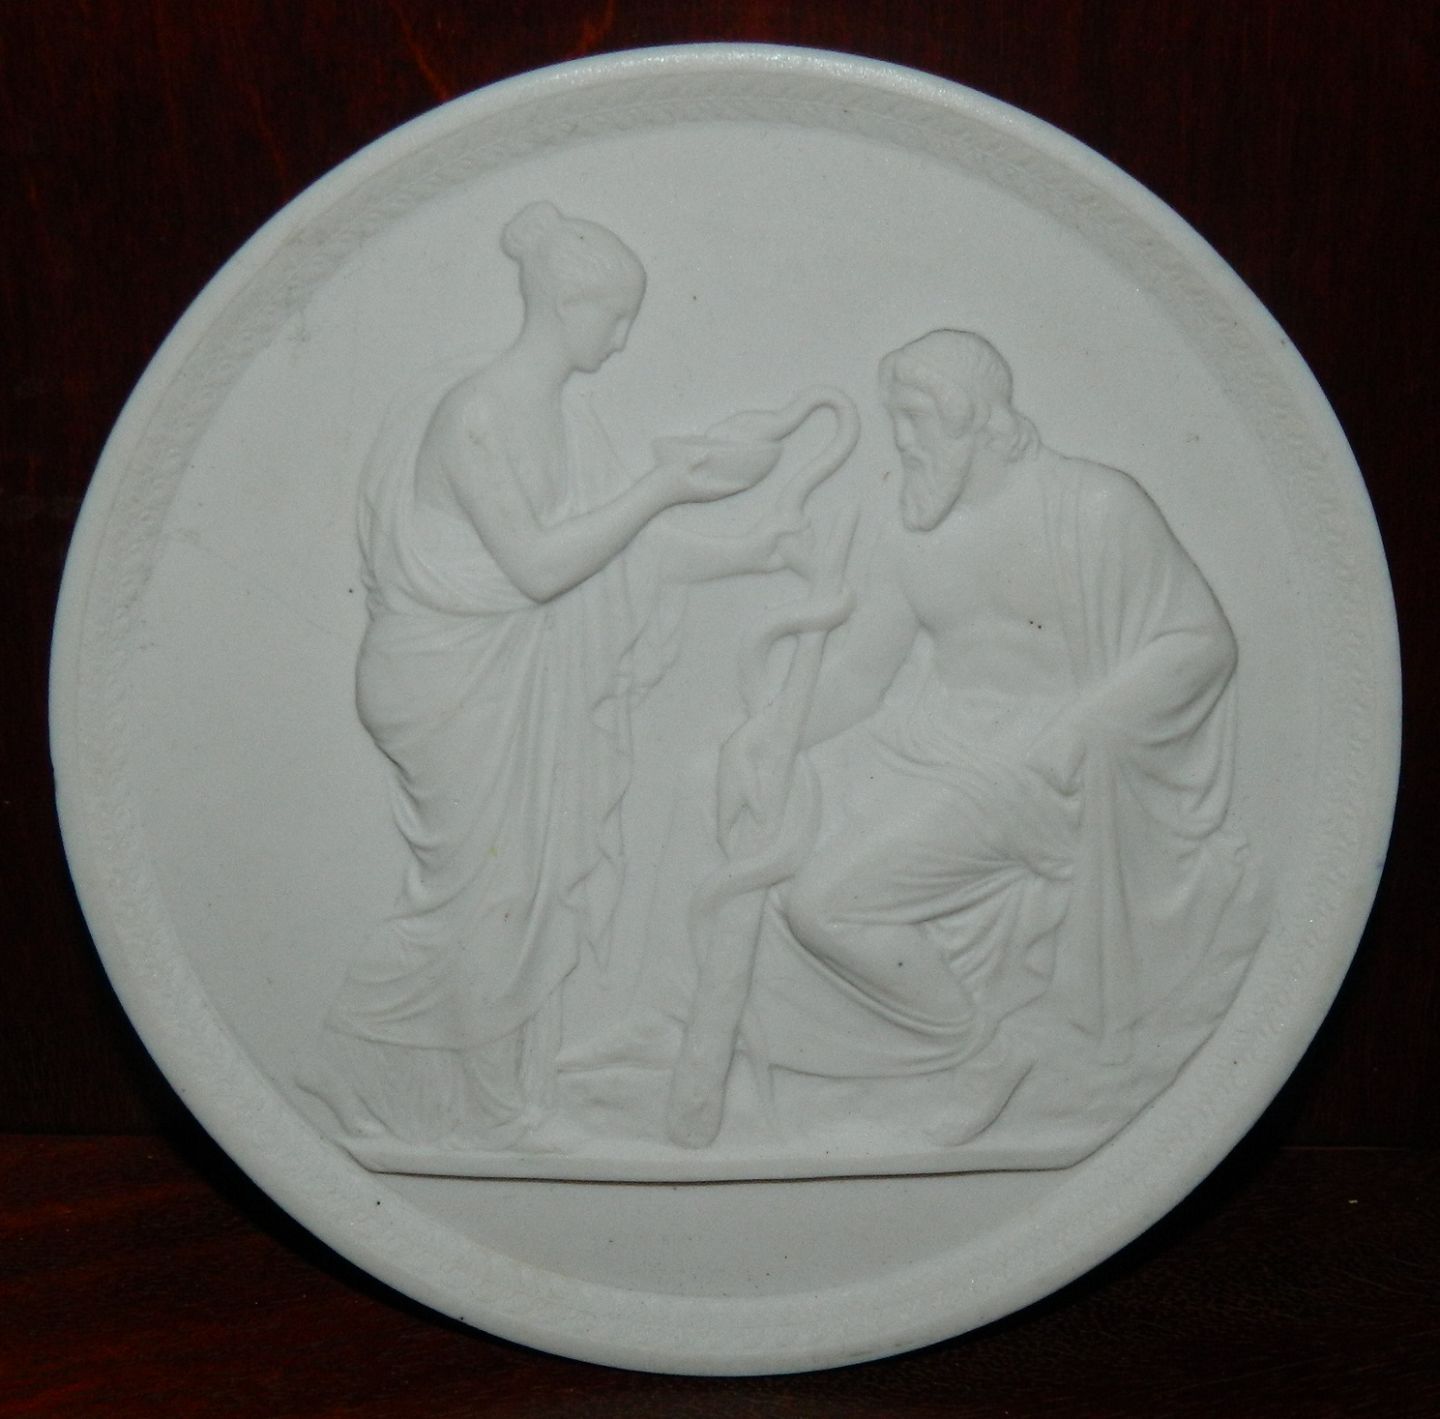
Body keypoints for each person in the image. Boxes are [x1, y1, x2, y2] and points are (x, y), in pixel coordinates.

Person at [307, 202, 778, 1146]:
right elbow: (538, 568)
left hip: (499, 677)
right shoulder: (478, 412)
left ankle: (450, 1084)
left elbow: (613, 561)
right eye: (617, 316)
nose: (625, 337)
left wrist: (757, 549)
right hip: (446, 683)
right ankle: (430, 1086)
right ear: (566, 305)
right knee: (484, 894)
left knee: (505, 891)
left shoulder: (562, 416)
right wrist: (663, 485)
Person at [742, 329, 1250, 1140]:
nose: (900, 440)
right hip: (925, 744)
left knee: (825, 903)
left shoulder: (1094, 507)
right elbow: (860, 679)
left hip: (1032, 771)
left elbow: (1199, 641)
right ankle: (772, 1050)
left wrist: (1083, 724)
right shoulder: (913, 530)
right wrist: (771, 735)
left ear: (968, 416)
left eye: (912, 419)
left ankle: (981, 1050)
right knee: (737, 806)